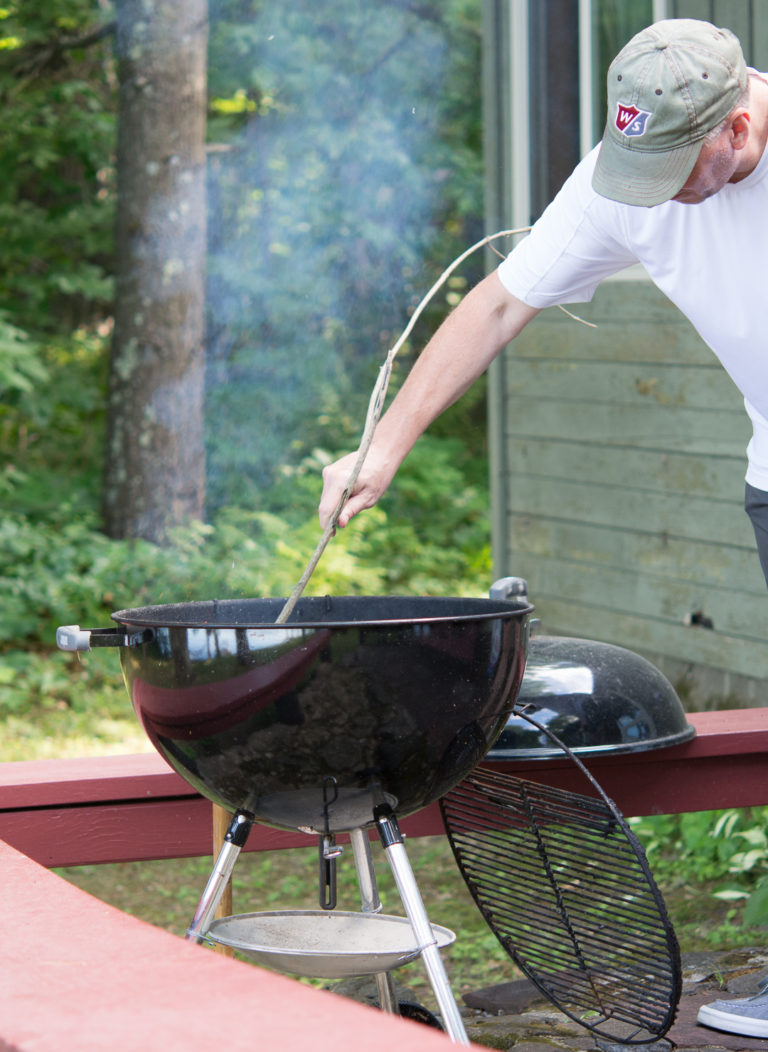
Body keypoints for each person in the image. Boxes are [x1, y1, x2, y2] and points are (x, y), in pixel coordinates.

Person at [319, 18, 768, 1038]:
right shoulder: (628, 177)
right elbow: (496, 304)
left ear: (740, 127)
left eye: (678, 163)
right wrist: (383, 449)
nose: (651, 193)